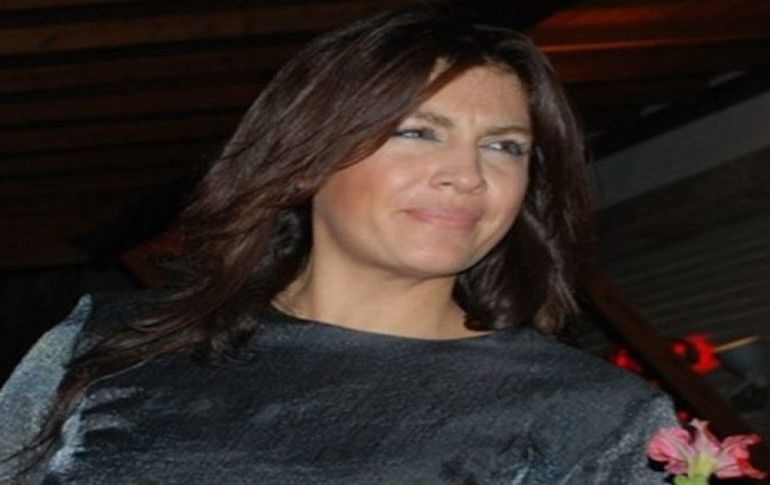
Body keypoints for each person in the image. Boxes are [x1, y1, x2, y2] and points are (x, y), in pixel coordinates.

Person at [0, 3, 677, 483]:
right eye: (418, 132)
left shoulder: (592, 413)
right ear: (307, 158)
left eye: (504, 147)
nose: (468, 176)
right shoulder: (108, 346)